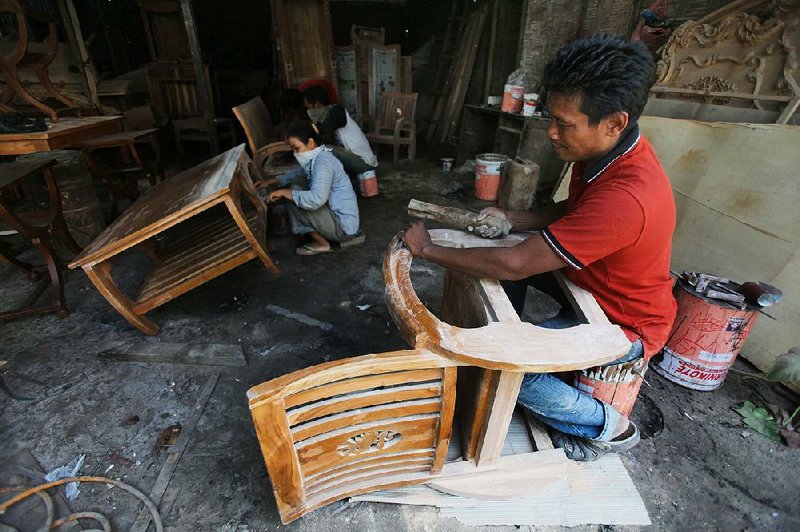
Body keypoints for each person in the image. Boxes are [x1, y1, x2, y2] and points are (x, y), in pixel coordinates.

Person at [399, 34, 677, 461]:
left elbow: (515, 264)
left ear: (615, 122)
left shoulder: (629, 196)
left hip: (625, 321)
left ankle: (606, 426)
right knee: (501, 255)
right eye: (553, 118)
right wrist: (514, 217)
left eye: (565, 124)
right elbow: (576, 208)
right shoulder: (608, 152)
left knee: (501, 365)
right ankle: (506, 331)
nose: (551, 133)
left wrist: (428, 249)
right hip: (591, 280)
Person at [265, 121, 364, 255]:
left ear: (310, 143)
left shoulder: (323, 163)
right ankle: (316, 232)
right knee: (297, 184)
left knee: (292, 199)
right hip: (338, 216)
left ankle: (322, 244)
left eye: (296, 148)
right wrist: (275, 180)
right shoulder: (318, 157)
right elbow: (299, 173)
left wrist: (286, 192)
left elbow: (317, 199)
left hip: (343, 228)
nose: (295, 153)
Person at [302, 85, 379, 181]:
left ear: (316, 104)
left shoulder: (337, 111)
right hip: (353, 160)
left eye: (308, 105)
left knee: (323, 150)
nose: (307, 109)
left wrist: (315, 124)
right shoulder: (327, 115)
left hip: (364, 162)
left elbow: (327, 128)